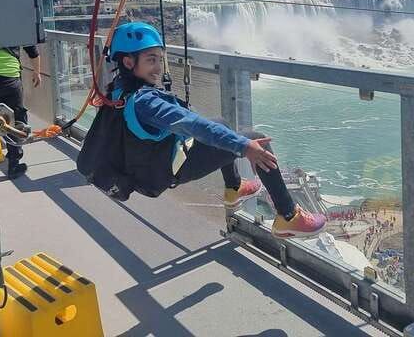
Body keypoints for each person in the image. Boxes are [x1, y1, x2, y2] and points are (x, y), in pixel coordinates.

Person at [83, 22, 326, 239]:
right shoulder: (146, 103)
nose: (158, 68)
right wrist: (244, 147)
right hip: (165, 171)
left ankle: (234, 188)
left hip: (146, 166)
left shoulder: (117, 91)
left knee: (219, 123)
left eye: (159, 59)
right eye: (151, 60)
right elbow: (194, 126)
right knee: (257, 141)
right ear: (128, 62)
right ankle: (288, 217)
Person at [0, 45, 42, 179]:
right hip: (10, 78)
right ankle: (14, 164)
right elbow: (32, 51)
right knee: (15, 120)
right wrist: (37, 72)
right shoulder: (13, 27)